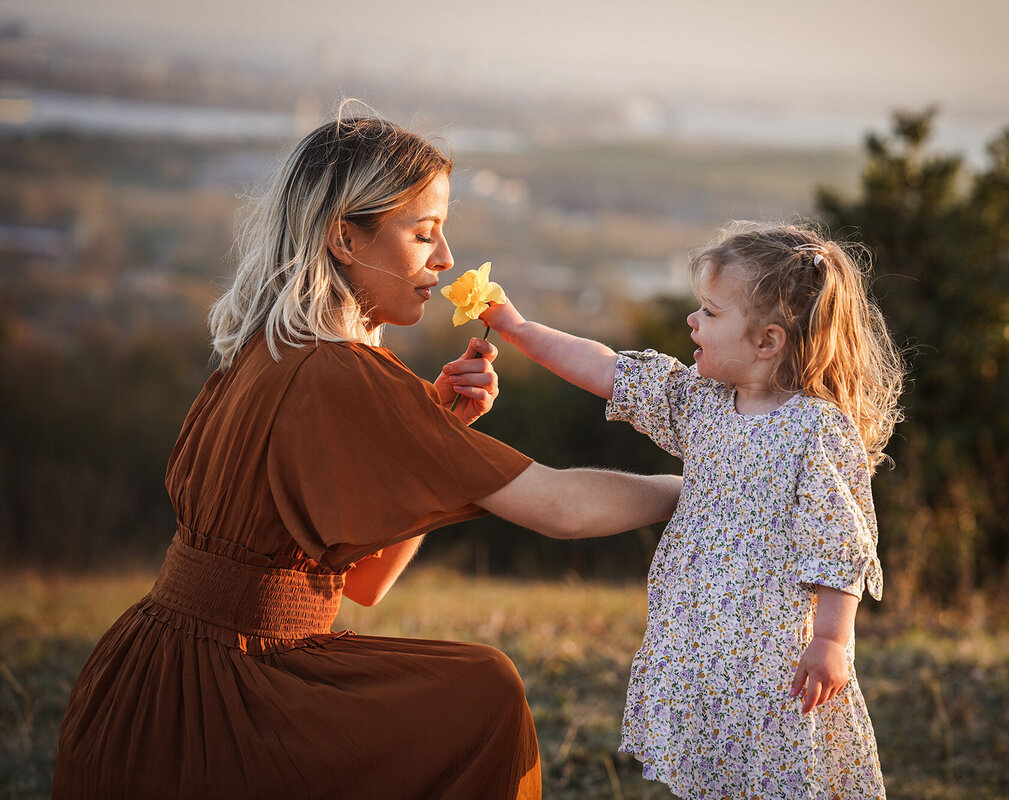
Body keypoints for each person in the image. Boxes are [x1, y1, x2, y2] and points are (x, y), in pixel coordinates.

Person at [52, 112, 682, 800]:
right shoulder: (344, 374)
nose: (445, 260)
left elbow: (364, 585)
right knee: (483, 691)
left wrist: (431, 426)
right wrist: (701, 483)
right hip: (233, 701)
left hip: (144, 678)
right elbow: (562, 508)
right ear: (344, 238)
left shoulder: (262, 350)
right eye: (422, 234)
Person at [479, 221, 904, 798]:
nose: (692, 321)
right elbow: (606, 369)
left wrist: (832, 641)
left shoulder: (815, 429)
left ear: (767, 341)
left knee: (778, 781)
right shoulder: (700, 404)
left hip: (770, 665)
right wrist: (518, 329)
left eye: (709, 311)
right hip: (696, 651)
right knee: (712, 781)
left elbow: (839, 544)